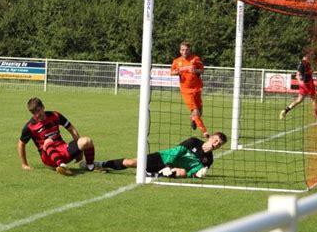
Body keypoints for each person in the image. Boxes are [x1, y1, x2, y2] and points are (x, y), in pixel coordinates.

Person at [85, 132, 227, 178]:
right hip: (162, 158)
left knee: (183, 172)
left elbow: (193, 172)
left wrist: (195, 175)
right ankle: (100, 164)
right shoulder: (193, 142)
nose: (215, 144)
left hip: (173, 170)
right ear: (210, 137)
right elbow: (175, 153)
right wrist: (168, 165)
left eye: (218, 144)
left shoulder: (208, 160)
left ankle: (156, 174)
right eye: (215, 140)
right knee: (130, 163)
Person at [17, 97, 97, 176]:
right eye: (34, 113)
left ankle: (90, 166)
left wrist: (79, 151)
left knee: (87, 141)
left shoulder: (55, 115)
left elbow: (71, 128)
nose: (37, 115)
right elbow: (21, 143)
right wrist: (24, 164)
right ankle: (62, 166)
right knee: (48, 141)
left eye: (38, 111)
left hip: (63, 150)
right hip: (48, 158)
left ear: (43, 107)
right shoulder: (30, 126)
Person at [171, 40, 209, 138]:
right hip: (186, 90)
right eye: (183, 50)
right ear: (180, 51)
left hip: (197, 88)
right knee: (196, 111)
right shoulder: (176, 61)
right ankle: (205, 132)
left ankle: (193, 119)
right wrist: (178, 71)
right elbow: (172, 72)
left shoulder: (195, 59)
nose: (184, 52)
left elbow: (202, 70)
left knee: (200, 112)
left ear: (189, 50)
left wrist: (195, 70)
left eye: (186, 50)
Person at [280, 48, 317, 122]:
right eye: (310, 53)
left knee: (299, 100)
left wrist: (310, 72)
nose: (311, 55)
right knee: (314, 101)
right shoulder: (303, 63)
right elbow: (297, 74)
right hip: (308, 84)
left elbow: (305, 73)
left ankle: (285, 111)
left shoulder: (306, 63)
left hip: (306, 84)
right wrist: (301, 82)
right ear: (306, 54)